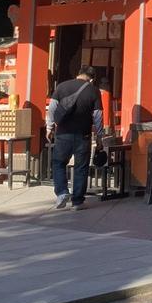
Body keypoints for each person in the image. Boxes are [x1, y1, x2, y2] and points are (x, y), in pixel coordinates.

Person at [46, 65, 102, 211]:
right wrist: (100, 136)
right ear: (92, 79)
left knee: (58, 163)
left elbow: (52, 108)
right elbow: (98, 115)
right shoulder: (94, 91)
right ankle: (77, 202)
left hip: (63, 133)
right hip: (83, 134)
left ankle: (62, 192)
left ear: (78, 74)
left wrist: (49, 127)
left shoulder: (62, 86)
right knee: (81, 167)